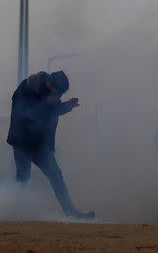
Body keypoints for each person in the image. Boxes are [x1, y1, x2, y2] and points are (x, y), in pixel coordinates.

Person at [7, 71, 95, 219]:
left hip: (40, 143)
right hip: (22, 141)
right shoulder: (27, 88)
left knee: (55, 175)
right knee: (23, 176)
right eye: (58, 93)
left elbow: (54, 110)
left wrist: (66, 106)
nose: (59, 96)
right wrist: (47, 103)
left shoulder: (52, 91)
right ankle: (14, 213)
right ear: (50, 84)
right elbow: (27, 113)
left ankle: (71, 212)